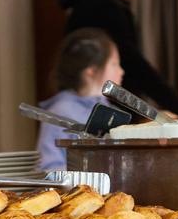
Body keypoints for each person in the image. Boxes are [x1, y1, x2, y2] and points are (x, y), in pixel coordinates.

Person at [35, 28, 124, 170]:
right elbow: (49, 165)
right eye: (114, 64)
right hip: (80, 191)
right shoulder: (60, 111)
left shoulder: (111, 111)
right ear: (91, 71)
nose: (121, 71)